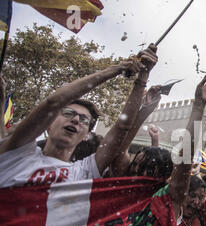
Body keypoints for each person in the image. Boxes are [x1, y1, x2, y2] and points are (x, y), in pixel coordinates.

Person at [0, 46, 158, 188]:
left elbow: (121, 127)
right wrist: (117, 69)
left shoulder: (85, 173)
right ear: (48, 124)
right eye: (68, 113)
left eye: (84, 120)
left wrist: (142, 78)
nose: (76, 120)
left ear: (87, 135)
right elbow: (53, 102)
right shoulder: (16, 154)